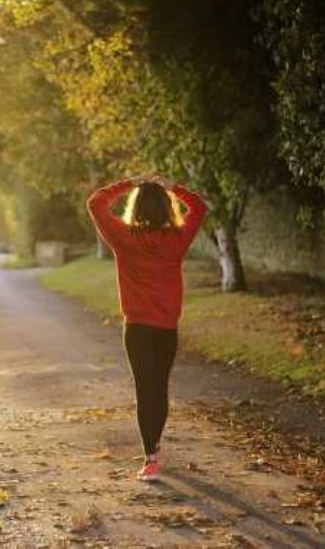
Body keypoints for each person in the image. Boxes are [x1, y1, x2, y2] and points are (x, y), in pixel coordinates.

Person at [87, 174, 208, 482]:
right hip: (166, 328)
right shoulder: (177, 240)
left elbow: (96, 202)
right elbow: (199, 207)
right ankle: (155, 448)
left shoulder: (124, 238)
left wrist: (129, 183)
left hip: (137, 329)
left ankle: (150, 459)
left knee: (145, 390)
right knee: (160, 388)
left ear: (136, 206)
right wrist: (174, 187)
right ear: (167, 207)